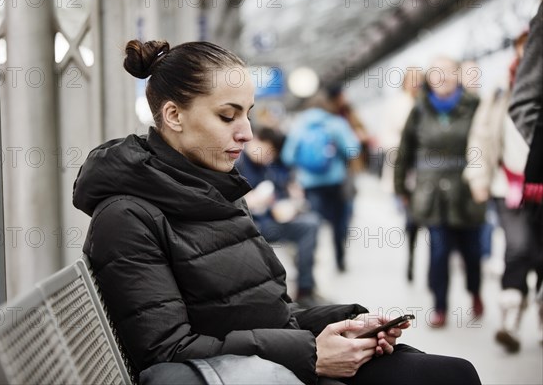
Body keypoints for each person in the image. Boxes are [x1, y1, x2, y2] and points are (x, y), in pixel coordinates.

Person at [73, 39, 482, 384]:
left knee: (454, 372)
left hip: (281, 362)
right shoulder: (126, 217)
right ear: (174, 115)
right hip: (254, 373)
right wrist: (311, 353)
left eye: (247, 114)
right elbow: (167, 351)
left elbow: (270, 311)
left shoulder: (215, 191)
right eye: (227, 115)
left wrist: (348, 322)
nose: (247, 132)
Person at [463, 30, 541, 353]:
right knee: (518, 247)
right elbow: (480, 139)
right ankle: (509, 322)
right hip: (507, 187)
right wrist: (478, 177)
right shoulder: (499, 95)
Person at [394, 56, 486, 328]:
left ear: (457, 75)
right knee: (439, 250)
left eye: (447, 72)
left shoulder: (474, 105)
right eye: (436, 73)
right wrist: (400, 187)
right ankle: (440, 306)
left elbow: (488, 142)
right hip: (430, 192)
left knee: (472, 250)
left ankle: (475, 291)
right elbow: (404, 151)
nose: (441, 78)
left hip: (467, 188)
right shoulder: (419, 109)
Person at [235, 126, 324, 308]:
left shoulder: (268, 168)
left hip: (270, 222)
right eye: (269, 150)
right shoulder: (236, 164)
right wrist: (248, 201)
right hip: (247, 225)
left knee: (310, 224)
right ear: (256, 141)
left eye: (273, 153)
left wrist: (288, 204)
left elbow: (281, 193)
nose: (270, 156)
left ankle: (305, 289)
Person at [281, 89, 360, 272]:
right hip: (335, 182)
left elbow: (287, 157)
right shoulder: (335, 123)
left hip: (310, 185)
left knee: (312, 223)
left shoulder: (299, 125)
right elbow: (352, 150)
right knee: (339, 223)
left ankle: (311, 261)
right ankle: (340, 260)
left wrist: (304, 165)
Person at [508, 0, 543, 345]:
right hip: (508, 188)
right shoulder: (489, 99)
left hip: (526, 186)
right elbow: (525, 104)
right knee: (519, 249)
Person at [379, 68, 424, 282]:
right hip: (405, 171)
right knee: (411, 219)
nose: (415, 84)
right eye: (411, 80)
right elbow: (386, 137)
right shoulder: (396, 106)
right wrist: (404, 147)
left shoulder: (427, 104)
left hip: (427, 171)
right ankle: (411, 259)